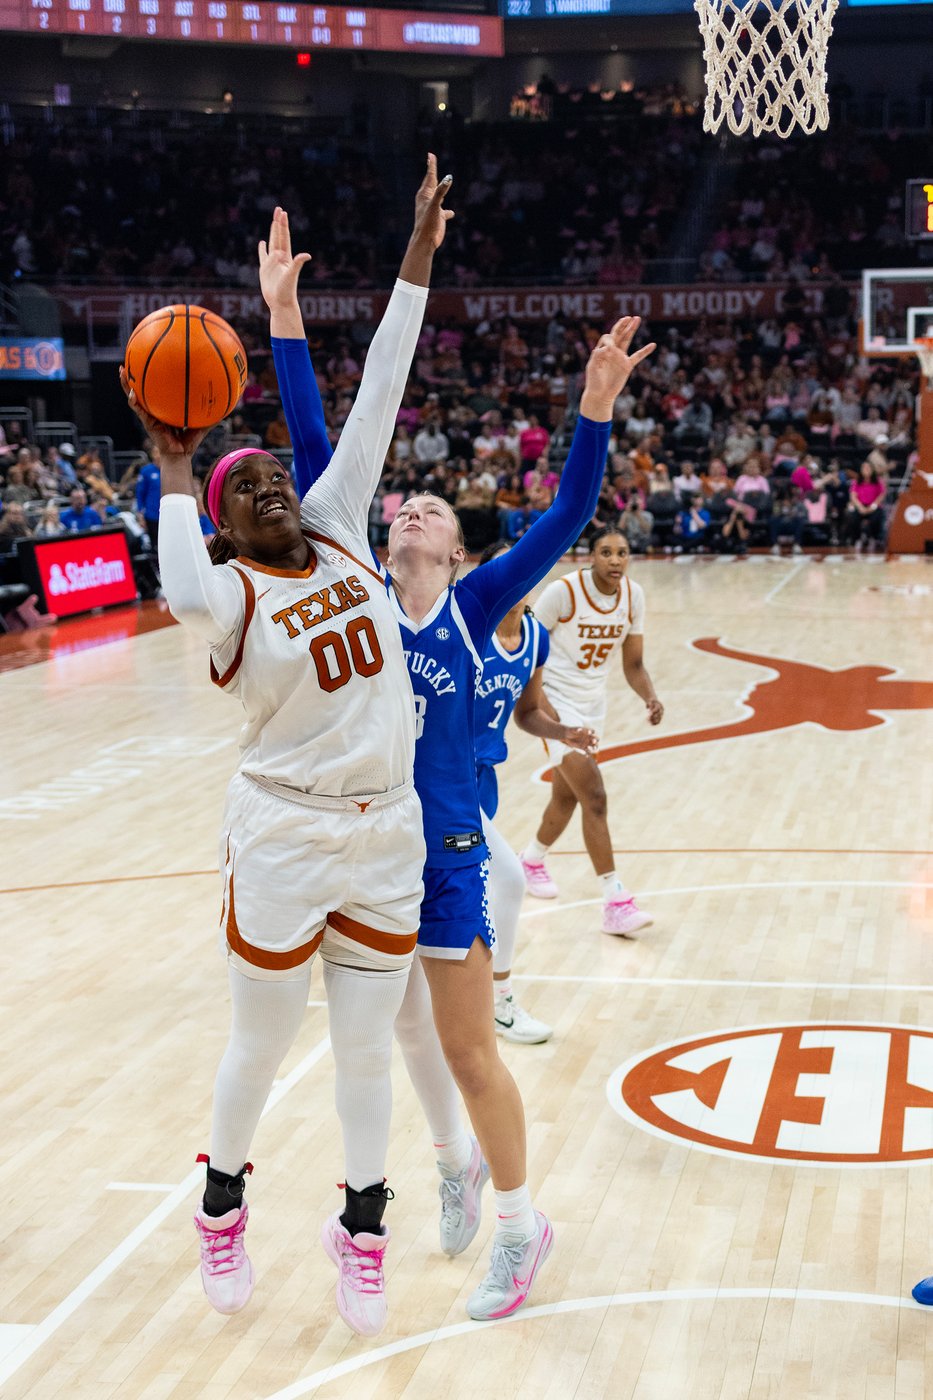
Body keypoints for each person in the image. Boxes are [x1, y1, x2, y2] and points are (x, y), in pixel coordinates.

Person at [276, 270, 655, 1317]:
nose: (419, 504)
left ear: (452, 552)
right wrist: (285, 317)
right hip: (357, 852)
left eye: (437, 509)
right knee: (398, 1033)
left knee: (465, 1046)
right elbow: (316, 448)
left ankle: (523, 1228)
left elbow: (572, 510)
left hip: (442, 852)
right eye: (409, 499)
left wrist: (593, 405)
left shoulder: (479, 605)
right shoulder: (353, 579)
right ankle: (452, 1162)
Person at [120, 158, 453, 1340]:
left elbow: (383, 390)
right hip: (283, 829)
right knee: (260, 1041)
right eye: (240, 478)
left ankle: (363, 1224)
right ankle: (222, 1204)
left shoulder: (343, 526)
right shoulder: (223, 592)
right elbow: (174, 584)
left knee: (367, 1049)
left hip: (387, 832)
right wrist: (169, 457)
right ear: (221, 518)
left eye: (272, 467)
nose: (266, 474)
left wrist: (418, 247)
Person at [474, 540, 599, 1045]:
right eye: (501, 564)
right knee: (507, 880)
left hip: (482, 778)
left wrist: (562, 731)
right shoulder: (467, 622)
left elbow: (527, 713)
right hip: (439, 777)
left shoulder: (532, 638)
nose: (513, 572)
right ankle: (498, 1001)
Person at [519, 526, 664, 935]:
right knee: (595, 796)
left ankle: (530, 861)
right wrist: (548, 715)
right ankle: (615, 900)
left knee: (567, 795)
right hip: (552, 700)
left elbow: (633, 665)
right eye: (606, 552)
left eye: (622, 553)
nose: (615, 560)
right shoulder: (563, 592)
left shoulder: (634, 597)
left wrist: (649, 697)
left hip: (593, 706)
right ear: (591, 556)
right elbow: (529, 647)